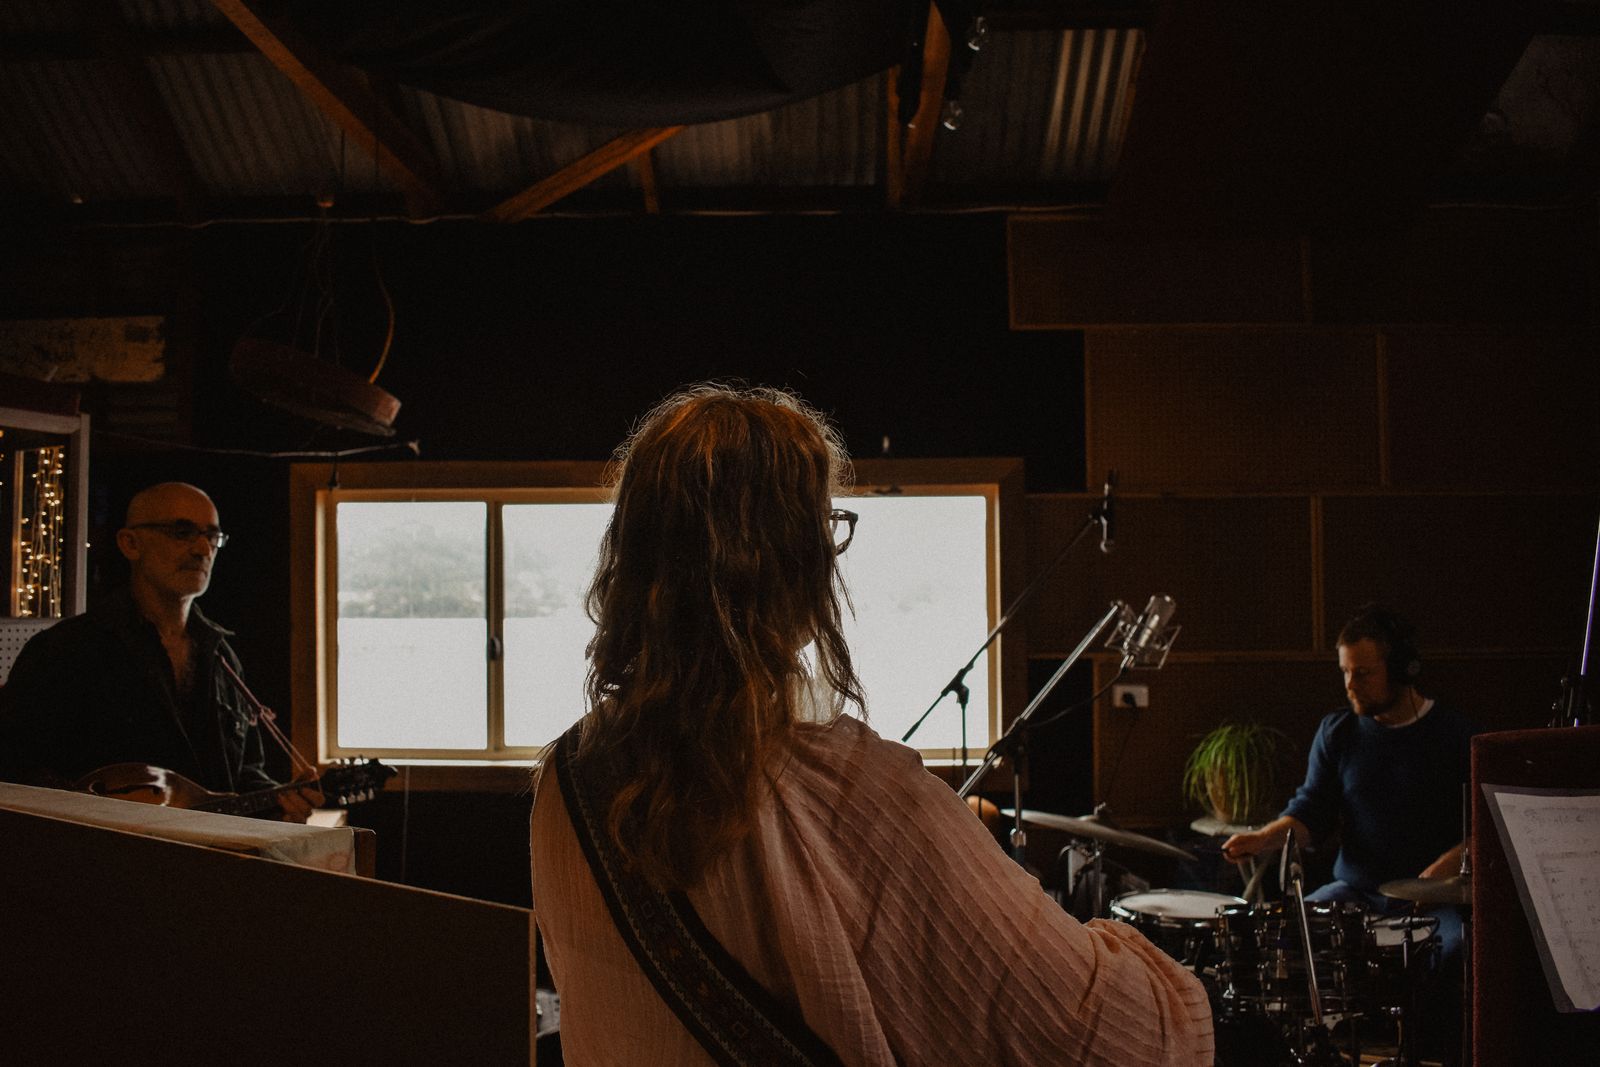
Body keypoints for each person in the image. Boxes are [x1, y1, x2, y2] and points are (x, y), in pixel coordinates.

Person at [530, 384, 1212, 1066]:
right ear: (790, 563)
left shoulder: (564, 783)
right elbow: (1123, 1043)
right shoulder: (865, 796)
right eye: (824, 525)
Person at [1220, 605, 1473, 1054]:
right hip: (1355, 891)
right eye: (1345, 672)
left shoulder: (1455, 735)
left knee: (1458, 953)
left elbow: (1484, 826)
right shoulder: (1338, 732)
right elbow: (1310, 812)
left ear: (1402, 668)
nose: (1351, 684)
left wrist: (1447, 868)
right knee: (1285, 935)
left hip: (1435, 900)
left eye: (1364, 673)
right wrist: (1262, 839)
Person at [0, 482, 319, 821]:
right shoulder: (65, 650)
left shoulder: (222, 659)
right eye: (182, 532)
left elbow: (241, 775)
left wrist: (280, 805)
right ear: (130, 544)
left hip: (209, 853)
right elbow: (13, 768)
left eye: (212, 536)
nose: (202, 549)